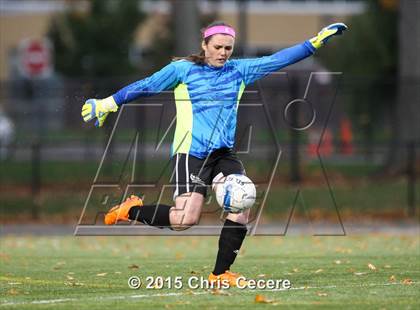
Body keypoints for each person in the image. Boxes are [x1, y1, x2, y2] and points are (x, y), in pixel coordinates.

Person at [82, 21, 347, 287]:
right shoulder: (183, 70)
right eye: (217, 47)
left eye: (228, 48)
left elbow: (276, 60)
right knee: (185, 219)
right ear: (204, 45)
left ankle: (220, 274)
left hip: (223, 154)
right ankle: (132, 210)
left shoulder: (239, 70)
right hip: (191, 153)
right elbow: (147, 85)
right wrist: (108, 103)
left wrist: (313, 43)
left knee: (242, 202)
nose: (223, 52)